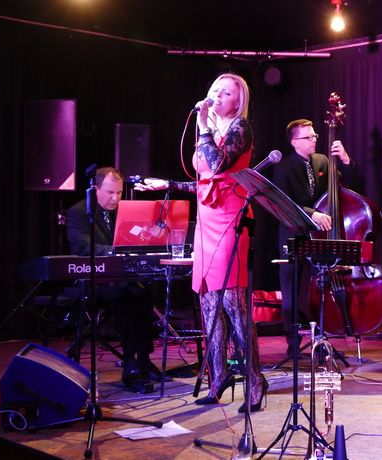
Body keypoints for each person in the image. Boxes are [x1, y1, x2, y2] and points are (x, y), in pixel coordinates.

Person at [135, 73, 267, 411]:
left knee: (233, 302)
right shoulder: (209, 131)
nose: (218, 95)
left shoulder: (240, 128)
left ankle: (255, 379)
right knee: (208, 301)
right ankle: (218, 375)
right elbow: (206, 183)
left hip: (231, 217)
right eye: (215, 90)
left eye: (226, 92)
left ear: (238, 101)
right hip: (207, 219)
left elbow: (219, 164)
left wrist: (204, 125)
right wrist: (166, 184)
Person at [66, 166, 157, 385]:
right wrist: (114, 252)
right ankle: (131, 360)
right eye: (109, 192)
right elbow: (82, 246)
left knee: (143, 292)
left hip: (123, 276)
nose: (115, 198)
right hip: (95, 278)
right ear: (95, 189)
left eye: (119, 192)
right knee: (127, 294)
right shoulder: (79, 212)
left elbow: (135, 238)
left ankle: (143, 359)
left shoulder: (124, 211)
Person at [273, 119, 352, 355]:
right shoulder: (284, 167)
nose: (314, 139)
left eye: (315, 135)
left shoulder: (322, 161)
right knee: (291, 289)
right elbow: (284, 203)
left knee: (320, 288)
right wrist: (313, 213)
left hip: (320, 235)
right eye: (308, 137)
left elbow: (342, 188)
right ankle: (292, 344)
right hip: (294, 234)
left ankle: (320, 339)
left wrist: (345, 159)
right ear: (294, 142)